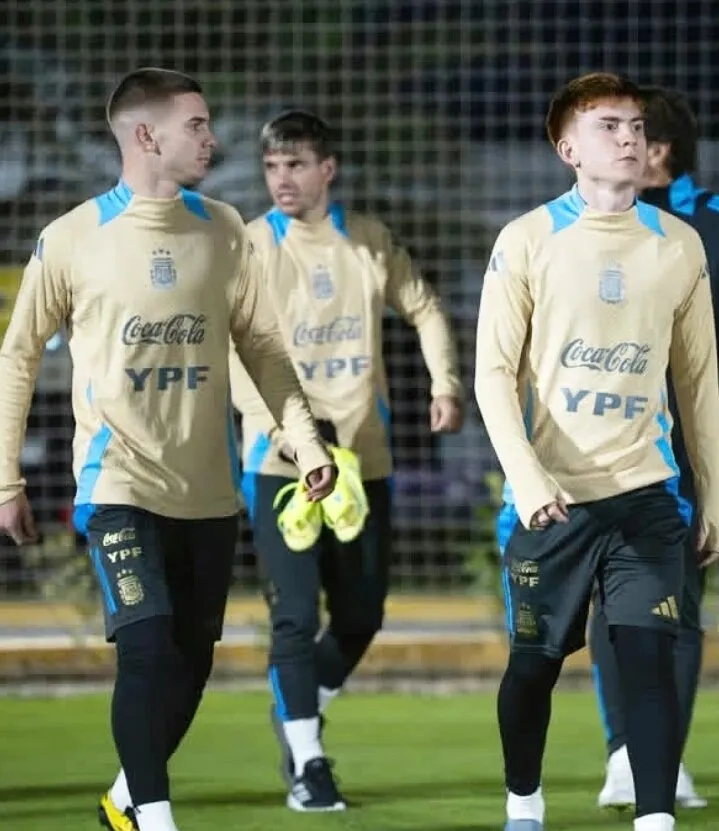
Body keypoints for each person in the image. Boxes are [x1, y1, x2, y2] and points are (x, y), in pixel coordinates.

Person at [0, 69, 335, 831]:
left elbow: (262, 346)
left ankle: (123, 798)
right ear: (146, 135)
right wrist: (4, 478)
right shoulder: (73, 237)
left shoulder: (223, 228)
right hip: (115, 482)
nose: (212, 139)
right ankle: (154, 817)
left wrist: (302, 436)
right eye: (198, 124)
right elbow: (17, 356)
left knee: (191, 665)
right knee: (145, 648)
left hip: (207, 491)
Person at [475, 72, 719, 831]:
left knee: (649, 658)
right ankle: (524, 804)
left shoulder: (676, 244)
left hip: (645, 495)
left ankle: (654, 818)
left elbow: (699, 381)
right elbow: (491, 374)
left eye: (636, 125)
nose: (629, 136)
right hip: (552, 500)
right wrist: (526, 474)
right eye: (608, 124)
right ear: (566, 147)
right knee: (532, 668)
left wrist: (710, 492)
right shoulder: (525, 239)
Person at [229, 109, 464, 811]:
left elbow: (423, 307)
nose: (282, 180)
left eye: (295, 165)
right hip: (280, 466)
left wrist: (444, 382)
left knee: (361, 614)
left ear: (326, 169)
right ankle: (308, 759)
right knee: (295, 617)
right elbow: (232, 346)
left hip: (364, 460)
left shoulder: (365, 242)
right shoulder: (251, 244)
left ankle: (299, 699)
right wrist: (274, 426)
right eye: (272, 167)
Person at [591, 85, 719, 812]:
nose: (618, 144)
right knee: (662, 599)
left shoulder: (671, 230)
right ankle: (642, 758)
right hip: (645, 442)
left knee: (639, 599)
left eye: (627, 132)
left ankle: (640, 755)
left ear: (657, 151)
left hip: (659, 442)